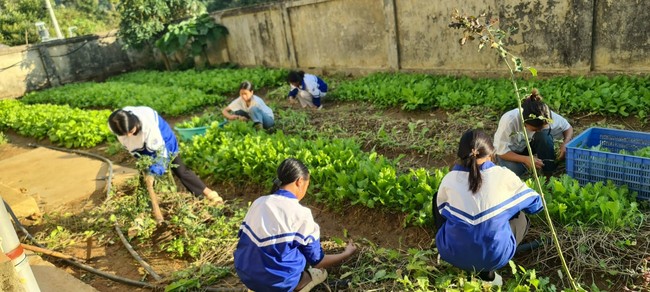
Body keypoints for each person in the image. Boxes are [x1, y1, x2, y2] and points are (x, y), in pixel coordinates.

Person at [433, 129, 544, 285]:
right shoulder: (504, 175)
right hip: (495, 257)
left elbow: (442, 211)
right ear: (491, 153)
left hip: (451, 253)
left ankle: (452, 248)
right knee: (521, 215)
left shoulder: (449, 179)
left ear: (460, 154)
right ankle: (487, 272)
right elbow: (536, 205)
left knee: (437, 200)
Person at [234, 158, 357, 292]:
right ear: (299, 182)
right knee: (319, 272)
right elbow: (318, 261)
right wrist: (346, 253)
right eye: (307, 185)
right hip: (276, 284)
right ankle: (302, 283)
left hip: (245, 275)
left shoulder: (259, 202)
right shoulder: (301, 214)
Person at [108, 106, 224, 224]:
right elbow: (130, 145)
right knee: (144, 181)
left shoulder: (148, 124)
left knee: (180, 169)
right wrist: (146, 169)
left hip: (163, 140)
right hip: (141, 148)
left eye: (131, 131)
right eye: (124, 134)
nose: (128, 136)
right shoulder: (117, 126)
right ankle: (145, 212)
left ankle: (209, 194)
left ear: (135, 122)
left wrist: (154, 172)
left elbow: (161, 155)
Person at [493, 89, 574, 177]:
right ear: (524, 123)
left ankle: (548, 172)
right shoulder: (509, 120)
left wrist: (566, 143)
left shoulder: (545, 114)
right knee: (513, 170)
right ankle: (527, 166)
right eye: (535, 130)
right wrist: (525, 159)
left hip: (528, 147)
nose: (538, 131)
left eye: (542, 127)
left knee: (544, 136)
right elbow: (501, 152)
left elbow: (568, 128)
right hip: (511, 153)